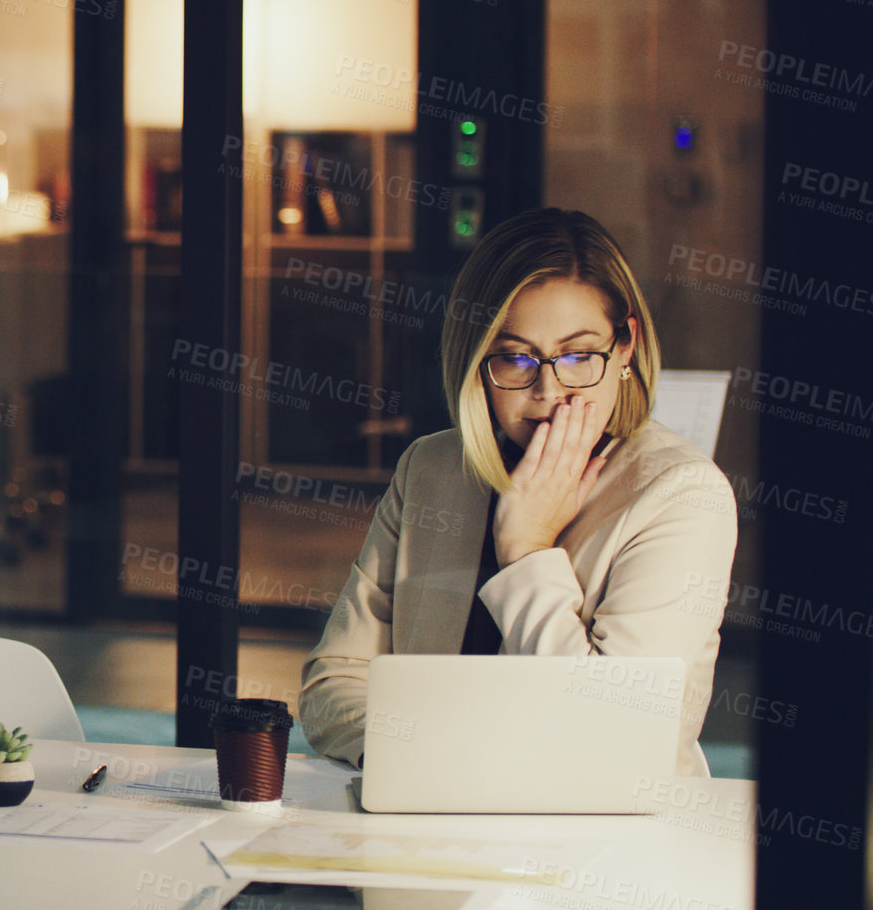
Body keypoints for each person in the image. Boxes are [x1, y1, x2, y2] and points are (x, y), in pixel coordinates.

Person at [299, 208, 736, 778]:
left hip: (603, 851)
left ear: (625, 348)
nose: (548, 389)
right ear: (477, 360)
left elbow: (613, 739)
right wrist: (440, 762)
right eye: (515, 357)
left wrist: (528, 550)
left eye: (579, 355)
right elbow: (334, 683)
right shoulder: (431, 469)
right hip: (429, 820)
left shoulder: (681, 494)